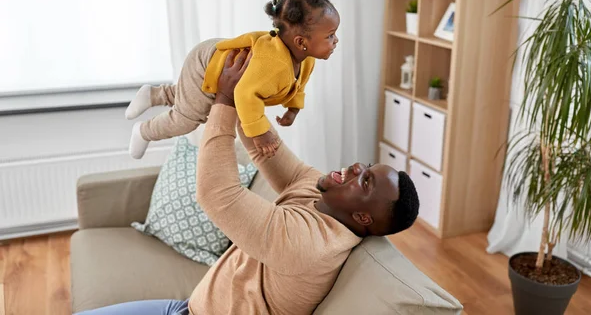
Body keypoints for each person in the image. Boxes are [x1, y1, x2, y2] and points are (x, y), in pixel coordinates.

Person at [77, 50, 419, 315]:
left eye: (366, 181)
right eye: (368, 166)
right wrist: (247, 93)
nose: (358, 167)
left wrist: (224, 102)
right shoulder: (319, 191)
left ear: (363, 218)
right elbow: (265, 150)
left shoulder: (310, 243)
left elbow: (215, 194)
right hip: (186, 308)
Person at [125, 0, 340, 160]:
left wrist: (293, 110)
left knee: (190, 95)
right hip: (206, 64)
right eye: (330, 36)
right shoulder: (273, 65)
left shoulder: (306, 59)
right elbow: (246, 95)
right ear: (301, 42)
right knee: (188, 118)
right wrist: (260, 132)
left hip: (215, 56)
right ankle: (144, 131)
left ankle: (153, 95)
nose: (336, 40)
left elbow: (298, 85)